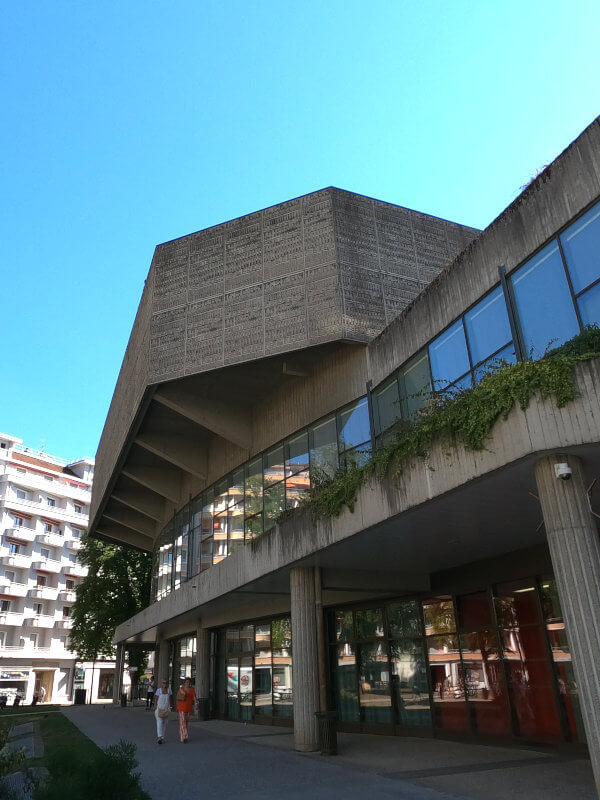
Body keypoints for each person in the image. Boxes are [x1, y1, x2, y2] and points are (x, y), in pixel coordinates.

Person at [176, 677, 197, 744]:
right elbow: (178, 697)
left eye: (189, 682)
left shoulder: (192, 690)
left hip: (188, 708)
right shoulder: (181, 689)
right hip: (181, 708)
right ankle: (184, 737)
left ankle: (182, 736)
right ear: (184, 683)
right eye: (187, 682)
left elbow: (194, 698)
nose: (188, 683)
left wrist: (196, 703)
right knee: (183, 723)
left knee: (185, 723)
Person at [153, 679, 172, 744]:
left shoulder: (169, 690)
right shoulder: (159, 690)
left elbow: (170, 699)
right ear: (162, 684)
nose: (165, 684)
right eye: (163, 683)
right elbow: (156, 698)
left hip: (166, 709)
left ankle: (162, 737)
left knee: (164, 723)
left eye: (166, 683)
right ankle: (159, 737)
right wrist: (155, 705)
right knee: (159, 722)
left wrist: (170, 707)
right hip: (159, 709)